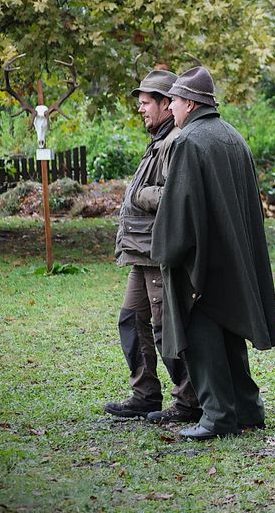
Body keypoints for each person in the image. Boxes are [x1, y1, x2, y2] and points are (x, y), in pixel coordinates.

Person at [152, 66, 275, 440]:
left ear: (190, 104)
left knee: (202, 333)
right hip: (232, 255)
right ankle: (247, 408)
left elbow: (180, 206)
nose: (171, 107)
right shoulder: (232, 136)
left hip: (202, 260)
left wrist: (167, 250)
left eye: (173, 100)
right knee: (229, 334)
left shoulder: (188, 141)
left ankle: (217, 416)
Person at [105, 69, 201, 424]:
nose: (141, 110)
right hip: (140, 253)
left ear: (166, 104)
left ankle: (189, 401)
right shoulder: (158, 140)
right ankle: (144, 395)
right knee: (131, 319)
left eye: (147, 103)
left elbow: (180, 195)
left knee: (167, 328)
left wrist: (140, 195)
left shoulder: (175, 142)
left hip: (157, 252)